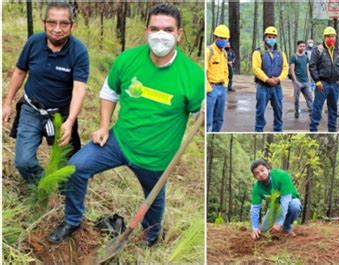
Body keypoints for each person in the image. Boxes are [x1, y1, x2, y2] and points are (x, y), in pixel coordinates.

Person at [47, 4, 204, 247]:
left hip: (157, 157)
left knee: (153, 203)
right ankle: (73, 220)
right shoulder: (128, 60)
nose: (160, 35)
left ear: (179, 34)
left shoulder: (193, 76)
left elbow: (198, 116)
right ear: (146, 31)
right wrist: (103, 125)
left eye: (168, 30)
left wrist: (207, 109)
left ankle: (149, 239)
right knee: (76, 167)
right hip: (118, 141)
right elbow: (109, 92)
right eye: (155, 28)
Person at [2, 2, 89, 185]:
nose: (57, 29)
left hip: (61, 114)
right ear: (44, 23)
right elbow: (19, 72)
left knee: (67, 165)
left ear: (72, 25)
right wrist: (7, 103)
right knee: (24, 162)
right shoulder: (34, 42)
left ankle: (61, 189)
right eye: (52, 22)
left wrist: (70, 121)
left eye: (64, 23)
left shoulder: (78, 51)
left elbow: (79, 88)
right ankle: (44, 186)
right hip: (31, 108)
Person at [249, 160, 301, 240]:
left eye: (262, 170)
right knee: (263, 231)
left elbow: (285, 201)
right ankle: (272, 227)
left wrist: (279, 222)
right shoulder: (257, 188)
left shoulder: (282, 176)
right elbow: (255, 208)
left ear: (268, 168)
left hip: (289, 201)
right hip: (274, 207)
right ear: (255, 176)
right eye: (257, 173)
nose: (261, 174)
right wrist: (254, 228)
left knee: (295, 205)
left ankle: (286, 226)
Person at [252, 26, 289, 132]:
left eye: (273, 37)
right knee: (260, 111)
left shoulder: (281, 53)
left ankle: (278, 129)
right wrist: (267, 79)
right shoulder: (258, 53)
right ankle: (258, 129)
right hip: (263, 86)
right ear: (265, 38)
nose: (271, 39)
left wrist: (279, 79)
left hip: (277, 87)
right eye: (269, 37)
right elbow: (256, 69)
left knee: (278, 110)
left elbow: (285, 68)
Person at [309, 26, 339, 132]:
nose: (331, 38)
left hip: (335, 84)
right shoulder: (318, 50)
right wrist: (317, 81)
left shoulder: (338, 50)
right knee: (317, 107)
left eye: (333, 36)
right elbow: (312, 66)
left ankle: (332, 129)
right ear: (324, 37)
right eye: (328, 36)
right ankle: (313, 129)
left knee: (333, 109)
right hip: (322, 83)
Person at [206, 24, 230, 132]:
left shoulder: (224, 53)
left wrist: (225, 84)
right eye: (221, 38)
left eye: (225, 38)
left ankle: (215, 133)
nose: (223, 40)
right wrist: (209, 88)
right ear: (215, 37)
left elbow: (226, 71)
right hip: (211, 88)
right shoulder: (209, 51)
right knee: (208, 120)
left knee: (219, 119)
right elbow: (204, 72)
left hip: (222, 88)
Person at [290, 40, 313, 119]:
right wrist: (295, 81)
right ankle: (296, 112)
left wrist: (309, 80)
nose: (302, 48)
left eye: (304, 46)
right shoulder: (294, 57)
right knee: (296, 99)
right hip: (298, 82)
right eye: (301, 46)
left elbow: (307, 69)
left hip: (306, 82)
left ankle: (312, 113)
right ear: (298, 46)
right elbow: (292, 69)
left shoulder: (306, 57)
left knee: (309, 98)